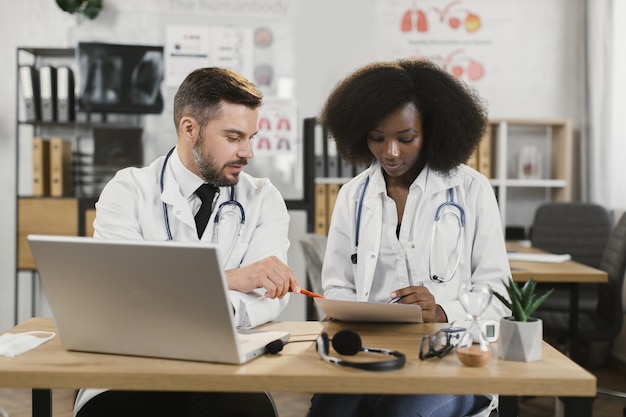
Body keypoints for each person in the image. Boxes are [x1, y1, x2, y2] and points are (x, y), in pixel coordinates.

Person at [75, 67, 302, 417]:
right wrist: (230, 279)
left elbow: (268, 295)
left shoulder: (263, 199)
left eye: (251, 137)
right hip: (134, 362)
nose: (248, 152)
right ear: (189, 129)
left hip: (225, 365)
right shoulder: (127, 190)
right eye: (233, 137)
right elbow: (120, 291)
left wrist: (181, 301)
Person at [309, 58, 511, 417]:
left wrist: (442, 310)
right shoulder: (353, 196)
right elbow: (337, 287)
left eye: (406, 139)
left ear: (431, 131)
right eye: (377, 138)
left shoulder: (471, 190)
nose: (390, 152)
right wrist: (344, 310)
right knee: (328, 410)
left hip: (452, 362)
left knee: (399, 413)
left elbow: (498, 294)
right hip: (371, 359)